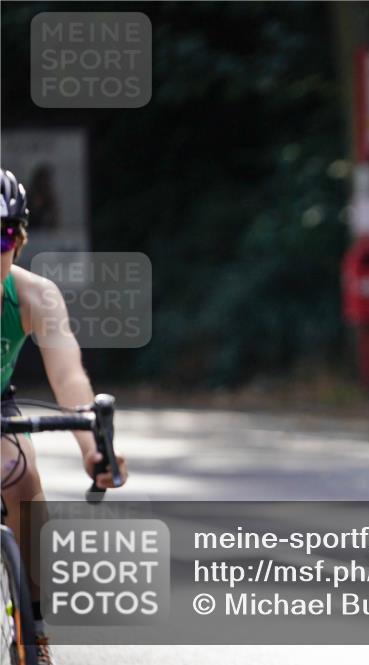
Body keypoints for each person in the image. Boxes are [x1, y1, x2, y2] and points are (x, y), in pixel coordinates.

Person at [1, 169, 129, 665]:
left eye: (1, 234)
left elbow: (70, 380)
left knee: (21, 476)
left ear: (21, 239)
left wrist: (93, 447)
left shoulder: (35, 297)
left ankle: (32, 632)